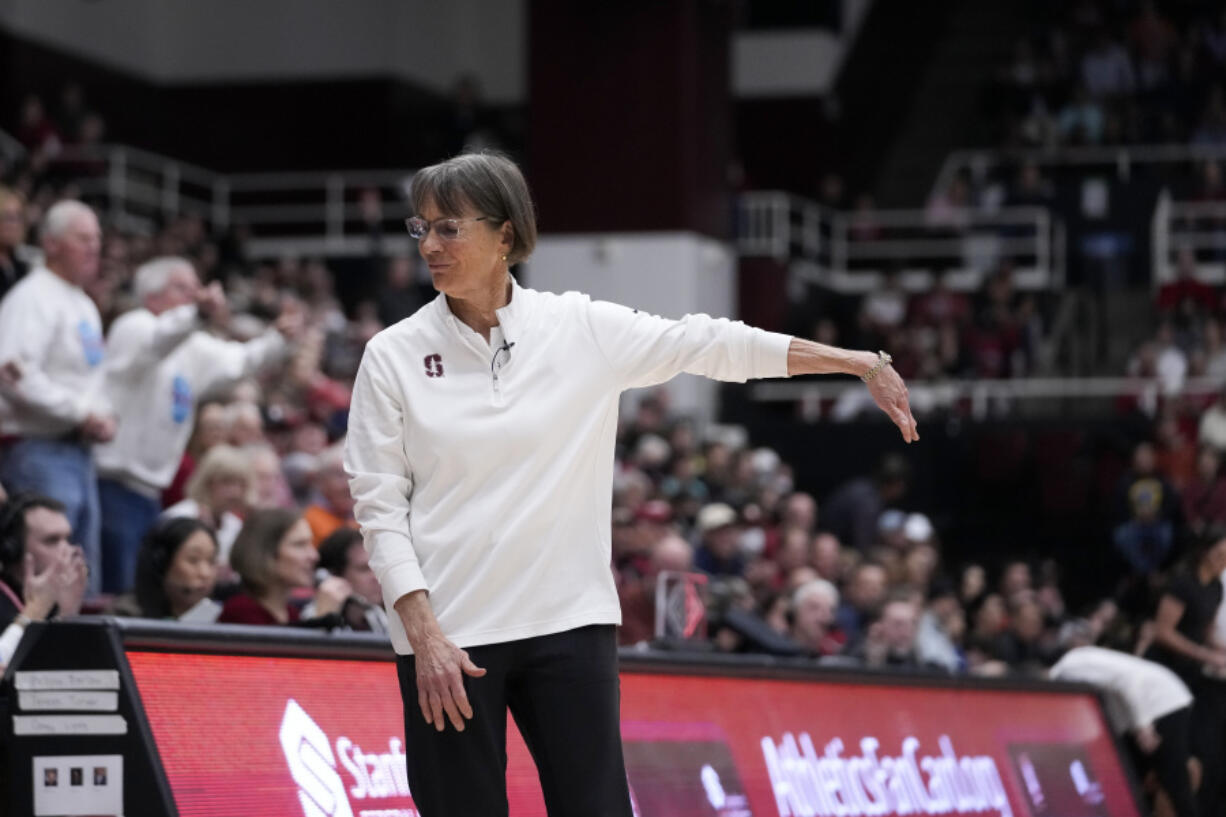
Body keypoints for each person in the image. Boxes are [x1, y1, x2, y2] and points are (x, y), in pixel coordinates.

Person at [343, 151, 917, 817]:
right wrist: (422, 634)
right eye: (423, 229)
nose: (431, 246)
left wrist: (852, 361)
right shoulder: (392, 354)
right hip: (449, 635)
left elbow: (708, 343)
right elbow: (379, 507)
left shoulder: (579, 327)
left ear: (506, 234)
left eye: (450, 228)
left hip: (569, 623)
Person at [94, 256, 297, 593]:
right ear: (152, 295)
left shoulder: (192, 345)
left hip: (149, 492)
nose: (194, 294)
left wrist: (278, 338)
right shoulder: (135, 325)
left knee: (143, 592)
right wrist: (197, 315)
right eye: (181, 287)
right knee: (121, 591)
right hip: (115, 486)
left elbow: (238, 361)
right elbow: (157, 342)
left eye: (195, 287)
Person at [0, 200, 112, 594]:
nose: (94, 246)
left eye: (97, 237)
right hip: (38, 448)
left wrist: (99, 413)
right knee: (47, 575)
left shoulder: (82, 303)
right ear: (51, 243)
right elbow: (10, 372)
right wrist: (83, 412)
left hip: (77, 450)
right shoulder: (31, 298)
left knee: (81, 574)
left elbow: (90, 379)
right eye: (83, 238)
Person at [1051, 646, 1197, 817]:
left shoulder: (1069, 668)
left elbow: (1127, 681)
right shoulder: (1067, 677)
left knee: (1174, 779)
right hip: (1141, 713)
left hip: (1161, 702)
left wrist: (1141, 725)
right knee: (1126, 779)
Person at [1146, 528, 1226, 816]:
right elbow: (1163, 633)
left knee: (1193, 757)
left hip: (1190, 678)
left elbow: (1204, 632)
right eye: (1219, 554)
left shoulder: (1216, 587)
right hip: (1163, 670)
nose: (1223, 561)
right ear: (1205, 551)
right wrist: (1205, 654)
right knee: (1173, 759)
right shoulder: (1183, 583)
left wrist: (1219, 650)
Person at [218, 508, 350, 626]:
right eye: (299, 545)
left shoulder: (292, 613)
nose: (314, 556)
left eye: (311, 544)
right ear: (265, 553)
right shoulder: (240, 612)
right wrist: (322, 619)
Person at [0, 494, 88, 665]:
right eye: (52, 541)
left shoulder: (56, 603)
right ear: (13, 550)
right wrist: (34, 611)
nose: (67, 551)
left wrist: (68, 614)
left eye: (67, 539)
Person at [109, 517, 221, 623]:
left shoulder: (220, 618)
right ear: (161, 562)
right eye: (193, 560)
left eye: (211, 561)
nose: (205, 573)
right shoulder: (124, 617)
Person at [162, 444, 250, 570]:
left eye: (241, 484)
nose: (235, 492)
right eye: (227, 482)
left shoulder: (235, 525)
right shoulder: (179, 517)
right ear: (207, 481)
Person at [309, 526, 389, 633]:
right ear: (335, 576)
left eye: (378, 568)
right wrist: (323, 619)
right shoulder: (312, 616)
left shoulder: (382, 618)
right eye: (364, 569)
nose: (376, 577)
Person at [302, 443, 357, 546]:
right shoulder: (308, 521)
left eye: (353, 476)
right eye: (340, 476)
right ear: (320, 482)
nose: (348, 484)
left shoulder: (365, 517)